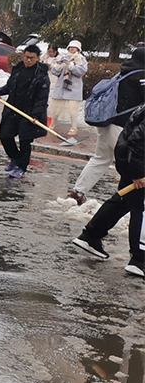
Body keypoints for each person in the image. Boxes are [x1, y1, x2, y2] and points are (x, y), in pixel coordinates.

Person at [72, 102, 145, 278]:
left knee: (125, 200)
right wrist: (139, 173)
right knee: (141, 207)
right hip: (137, 162)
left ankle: (91, 235)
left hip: (130, 158)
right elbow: (137, 140)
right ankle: (140, 259)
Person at [69, 45, 145, 204]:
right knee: (132, 165)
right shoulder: (140, 77)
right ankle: (125, 203)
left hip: (107, 122)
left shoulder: (124, 72)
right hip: (122, 128)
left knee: (101, 158)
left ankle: (78, 193)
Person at [0, 44, 50, 179]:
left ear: (37, 58)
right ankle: (16, 159)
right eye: (26, 57)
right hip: (12, 109)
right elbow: (10, 86)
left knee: (25, 141)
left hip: (29, 113)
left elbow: (42, 98)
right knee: (5, 135)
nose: (28, 60)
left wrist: (36, 115)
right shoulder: (18, 69)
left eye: (32, 58)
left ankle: (22, 167)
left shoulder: (41, 75)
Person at [48, 40, 88, 138]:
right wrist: (58, 65)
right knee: (55, 108)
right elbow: (55, 72)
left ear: (78, 49)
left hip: (73, 88)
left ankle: (74, 127)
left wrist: (71, 65)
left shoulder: (81, 59)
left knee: (72, 110)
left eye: (74, 47)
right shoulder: (63, 57)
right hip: (61, 87)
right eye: (70, 47)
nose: (72, 49)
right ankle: (52, 124)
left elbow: (81, 72)